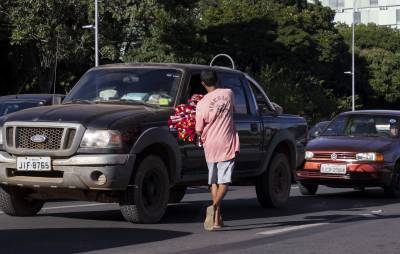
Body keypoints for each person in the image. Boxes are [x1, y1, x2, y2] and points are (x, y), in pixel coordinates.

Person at [195, 69, 240, 231]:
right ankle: (214, 207)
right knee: (224, 181)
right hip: (226, 142)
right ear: (217, 80)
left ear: (203, 84)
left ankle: (216, 220)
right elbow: (233, 111)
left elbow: (199, 129)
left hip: (210, 144)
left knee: (213, 181)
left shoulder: (201, 104)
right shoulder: (228, 93)